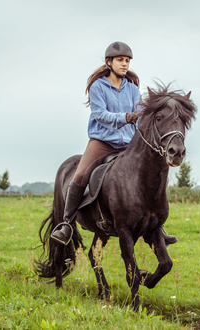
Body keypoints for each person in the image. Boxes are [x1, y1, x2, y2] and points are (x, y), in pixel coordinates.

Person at [51, 41, 177, 246]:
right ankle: (66, 224)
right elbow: (100, 115)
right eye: (120, 60)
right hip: (102, 142)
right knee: (81, 174)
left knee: (151, 173)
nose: (124, 64)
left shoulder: (133, 89)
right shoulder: (98, 87)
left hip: (128, 143)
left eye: (127, 60)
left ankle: (156, 226)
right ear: (109, 62)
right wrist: (125, 117)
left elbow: (141, 114)